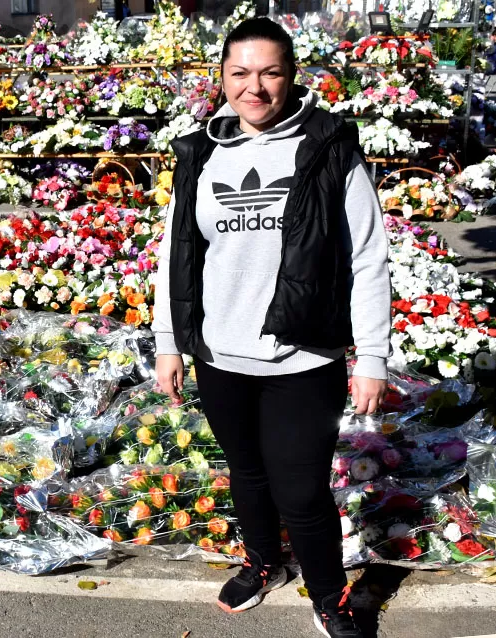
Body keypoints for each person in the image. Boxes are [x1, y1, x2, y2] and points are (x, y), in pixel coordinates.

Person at [153, 17, 389, 638]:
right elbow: (174, 254)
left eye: (270, 72)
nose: (254, 87)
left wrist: (372, 357)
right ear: (222, 78)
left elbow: (366, 256)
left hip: (301, 358)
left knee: (301, 488)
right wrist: (169, 342)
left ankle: (330, 597)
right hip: (220, 353)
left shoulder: (328, 149)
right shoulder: (200, 154)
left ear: (290, 77)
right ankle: (262, 564)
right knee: (248, 473)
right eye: (240, 73)